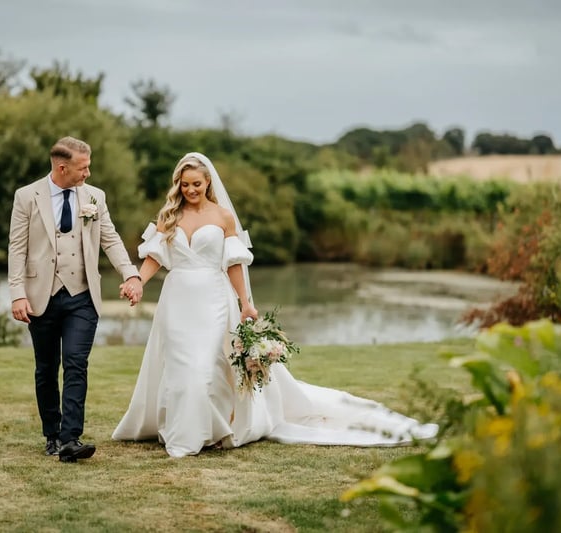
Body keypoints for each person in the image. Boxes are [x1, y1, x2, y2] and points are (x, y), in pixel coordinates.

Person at [112, 152, 438, 458]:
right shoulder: (170, 216)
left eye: (197, 183)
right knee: (181, 367)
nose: (191, 190)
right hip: (177, 299)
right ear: (178, 185)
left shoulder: (224, 217)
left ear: (208, 182)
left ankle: (207, 431)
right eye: (185, 185)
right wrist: (138, 281)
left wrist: (246, 304)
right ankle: (185, 432)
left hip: (213, 298)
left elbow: (234, 263)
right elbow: (155, 257)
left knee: (204, 366)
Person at [8, 136, 144, 462]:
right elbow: (17, 247)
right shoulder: (27, 196)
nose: (88, 173)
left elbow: (109, 238)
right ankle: (51, 435)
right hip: (41, 296)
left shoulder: (95, 197)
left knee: (75, 363)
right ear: (62, 167)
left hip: (82, 297)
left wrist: (131, 273)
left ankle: (71, 438)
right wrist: (17, 294)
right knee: (46, 368)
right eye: (83, 168)